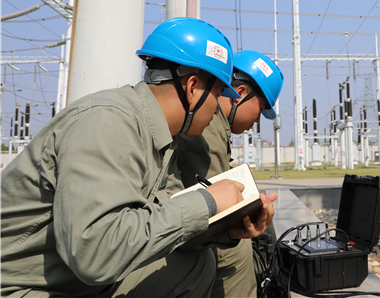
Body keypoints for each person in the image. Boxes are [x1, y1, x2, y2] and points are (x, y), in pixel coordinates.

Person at [1, 17, 277, 297]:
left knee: (194, 266)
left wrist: (229, 229)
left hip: (72, 280)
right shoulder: (110, 123)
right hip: (22, 287)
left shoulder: (157, 137)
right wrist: (206, 202)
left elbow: (159, 219)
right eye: (218, 93)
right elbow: (94, 253)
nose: (216, 109)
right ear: (192, 88)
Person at [178, 50, 284, 298]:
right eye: (261, 109)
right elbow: (215, 210)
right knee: (234, 252)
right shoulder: (210, 126)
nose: (258, 120)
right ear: (241, 94)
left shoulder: (215, 124)